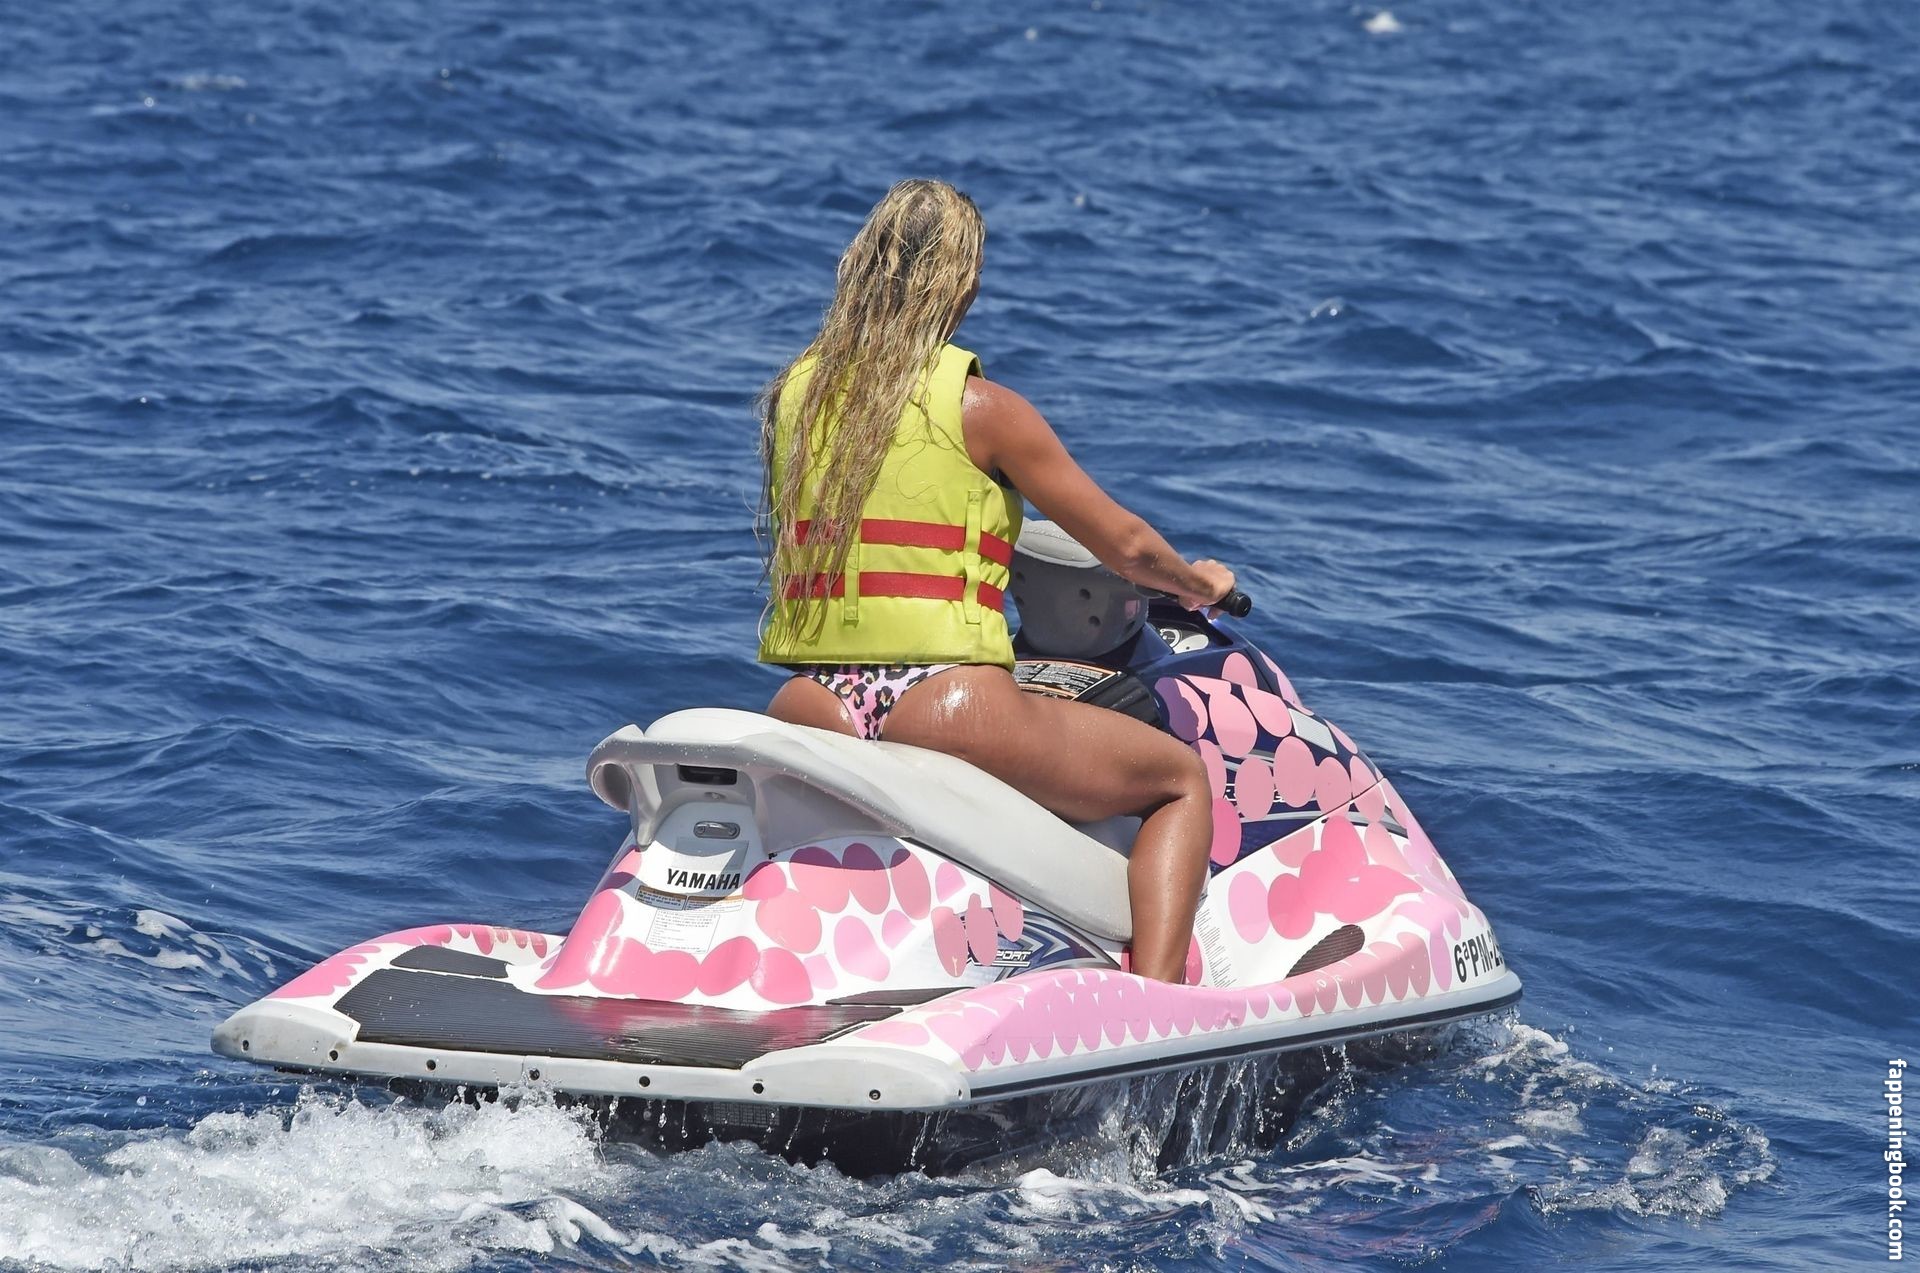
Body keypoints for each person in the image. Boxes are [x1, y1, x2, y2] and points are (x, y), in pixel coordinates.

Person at [756, 179, 1235, 984]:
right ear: (962, 283)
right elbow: (1124, 546)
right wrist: (1197, 582)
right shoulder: (982, 408)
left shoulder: (794, 398)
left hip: (815, 701)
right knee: (1179, 781)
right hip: (943, 702)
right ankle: (1160, 1003)